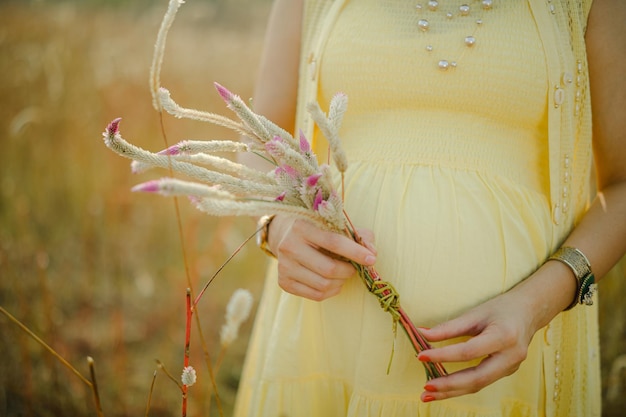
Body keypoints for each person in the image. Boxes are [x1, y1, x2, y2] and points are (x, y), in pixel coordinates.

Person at [234, 0, 626, 415]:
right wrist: (277, 226)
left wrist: (536, 305)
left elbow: (621, 186)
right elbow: (260, 137)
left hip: (502, 370)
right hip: (325, 346)